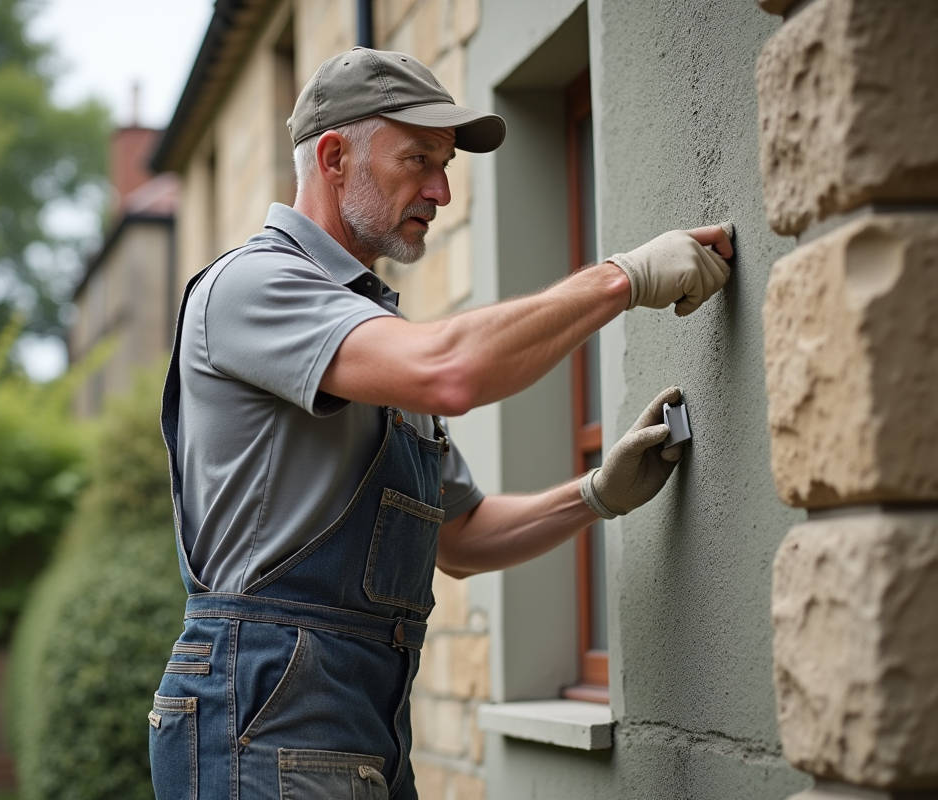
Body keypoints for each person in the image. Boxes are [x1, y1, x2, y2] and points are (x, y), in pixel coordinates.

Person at [149, 47, 733, 800]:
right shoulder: (255, 285)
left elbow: (460, 536)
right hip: (259, 716)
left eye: (446, 164)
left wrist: (596, 494)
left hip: (356, 726)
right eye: (419, 159)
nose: (442, 191)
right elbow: (450, 371)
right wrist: (625, 278)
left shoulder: (370, 337)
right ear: (333, 158)